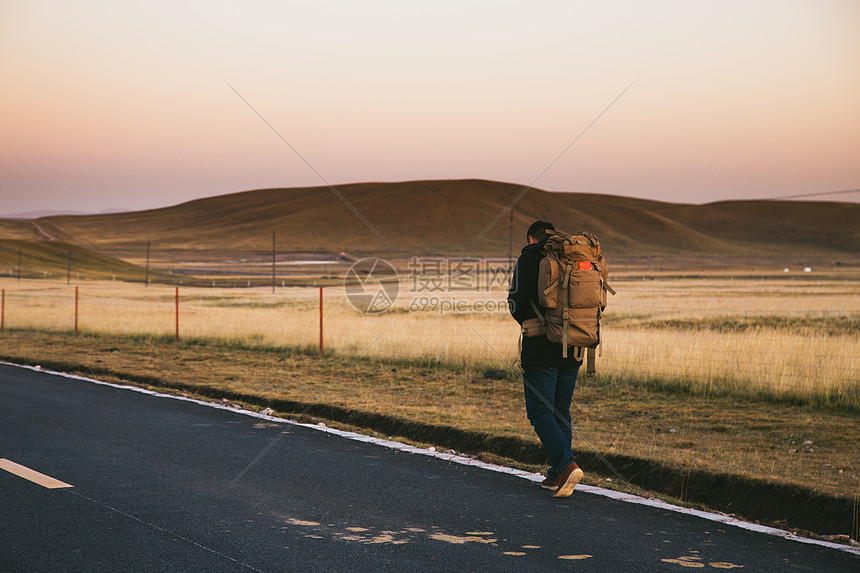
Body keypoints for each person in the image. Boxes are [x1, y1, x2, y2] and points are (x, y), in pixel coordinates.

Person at [507, 220, 584, 498]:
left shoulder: (529, 257)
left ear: (531, 239)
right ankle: (555, 474)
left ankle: (565, 465)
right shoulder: (572, 256)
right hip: (574, 345)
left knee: (540, 412)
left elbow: (515, 301)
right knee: (560, 410)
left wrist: (530, 324)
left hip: (541, 346)